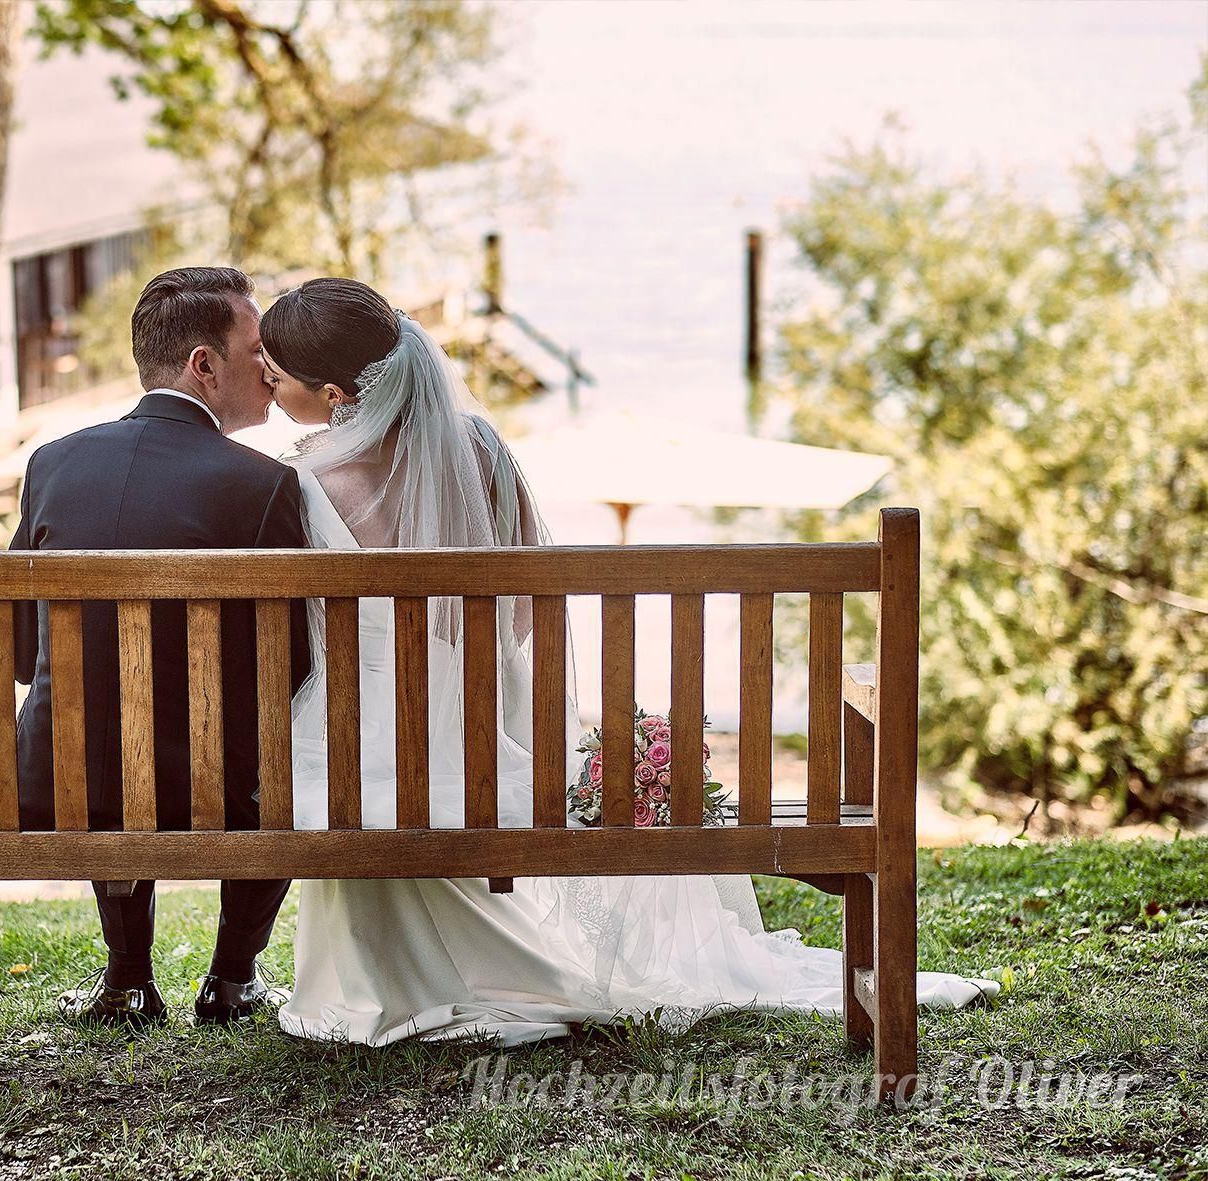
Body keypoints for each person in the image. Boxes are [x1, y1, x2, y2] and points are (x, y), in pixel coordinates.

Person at [257, 277, 1000, 1045]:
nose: (269, 391)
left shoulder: (300, 481)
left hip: (353, 753)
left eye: (276, 378)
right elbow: (519, 614)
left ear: (337, 393)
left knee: (346, 774)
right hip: (479, 741)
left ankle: (391, 978)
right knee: (431, 773)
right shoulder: (477, 448)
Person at [11, 266, 310, 1028]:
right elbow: (294, 669)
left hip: (58, 785)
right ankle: (234, 978)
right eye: (256, 352)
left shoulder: (52, 463)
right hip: (214, 794)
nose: (271, 373)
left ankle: (127, 978)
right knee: (281, 753)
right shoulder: (264, 485)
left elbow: (18, 645)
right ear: (203, 366)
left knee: (101, 730)